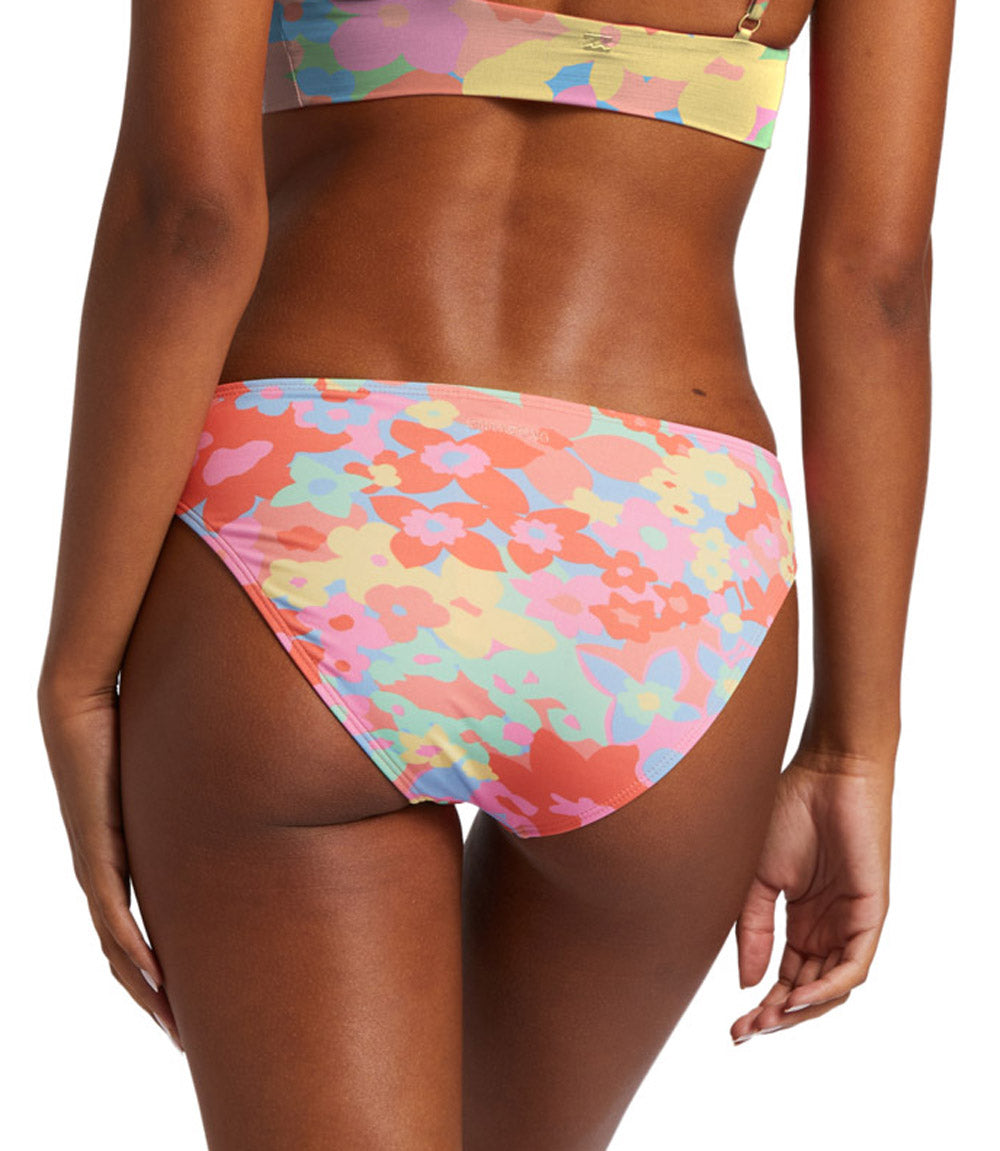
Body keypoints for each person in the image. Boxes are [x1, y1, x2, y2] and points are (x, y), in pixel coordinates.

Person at [34, 0, 954, 1146]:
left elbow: (189, 215)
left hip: (321, 511)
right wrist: (855, 742)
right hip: (668, 564)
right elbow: (878, 279)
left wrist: (78, 670)